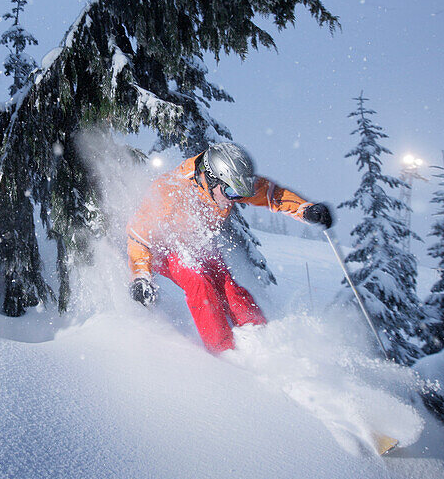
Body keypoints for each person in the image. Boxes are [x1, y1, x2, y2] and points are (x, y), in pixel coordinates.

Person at [126, 142, 333, 354]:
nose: (234, 199)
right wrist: (141, 276)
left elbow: (272, 194)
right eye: (232, 192)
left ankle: (262, 339)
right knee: (200, 283)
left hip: (196, 243)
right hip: (161, 248)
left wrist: (304, 210)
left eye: (238, 193)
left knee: (229, 288)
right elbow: (138, 236)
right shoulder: (170, 190)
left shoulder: (229, 184)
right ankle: (224, 355)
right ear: (211, 177)